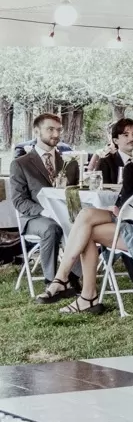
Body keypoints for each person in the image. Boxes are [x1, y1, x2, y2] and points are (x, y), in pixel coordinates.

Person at [40, 124, 133, 313]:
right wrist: (121, 211)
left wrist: (124, 212)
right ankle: (68, 284)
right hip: (129, 223)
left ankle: (78, 291)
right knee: (85, 215)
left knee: (88, 233)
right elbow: (127, 202)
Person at [9, 114, 80, 290]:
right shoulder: (21, 164)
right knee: (51, 227)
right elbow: (19, 201)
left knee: (81, 225)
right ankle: (53, 280)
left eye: (59, 130)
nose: (56, 134)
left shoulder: (70, 162)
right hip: (34, 218)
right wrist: (44, 211)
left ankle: (76, 275)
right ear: (36, 131)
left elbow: (76, 194)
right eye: (50, 129)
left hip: (65, 214)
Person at [91, 117, 133, 185]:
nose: (132, 138)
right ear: (115, 140)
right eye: (126, 135)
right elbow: (102, 192)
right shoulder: (106, 163)